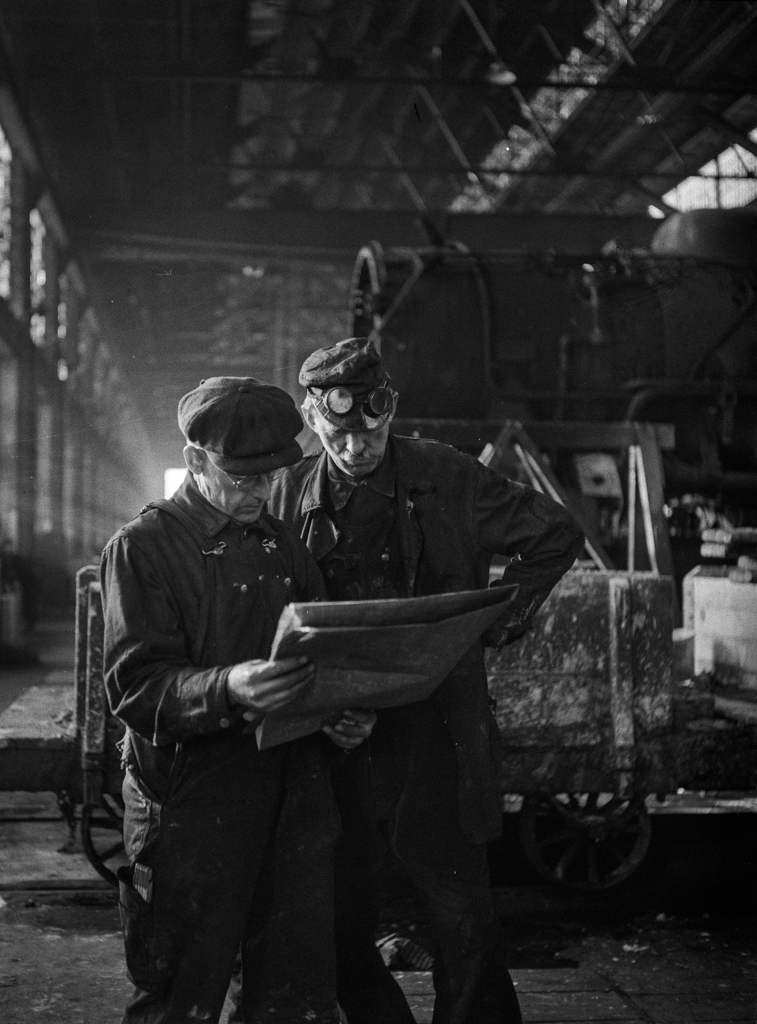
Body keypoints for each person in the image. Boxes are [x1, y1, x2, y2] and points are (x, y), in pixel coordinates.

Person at [268, 338, 585, 1024]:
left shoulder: (448, 477)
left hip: (435, 729)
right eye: (336, 433)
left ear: (390, 411)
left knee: (461, 909)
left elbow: (555, 534)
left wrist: (499, 618)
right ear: (310, 417)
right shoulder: (285, 496)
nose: (354, 449)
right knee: (336, 907)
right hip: (334, 735)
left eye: (369, 430)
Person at [101, 375, 374, 1024]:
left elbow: (320, 655)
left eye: (269, 477)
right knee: (180, 995)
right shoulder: (143, 550)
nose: (258, 492)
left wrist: (343, 711)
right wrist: (228, 686)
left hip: (288, 796)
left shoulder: (284, 548)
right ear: (195, 462)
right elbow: (135, 688)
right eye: (241, 478)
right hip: (189, 801)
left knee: (291, 993)